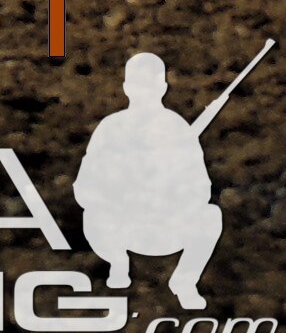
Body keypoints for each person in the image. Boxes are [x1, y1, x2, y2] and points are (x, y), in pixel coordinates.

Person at [77, 52, 226, 311]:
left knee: (211, 216)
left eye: (150, 85)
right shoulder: (110, 128)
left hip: (166, 227)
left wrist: (169, 192)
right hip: (120, 227)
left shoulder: (177, 129)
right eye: (138, 84)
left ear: (162, 87)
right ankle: (118, 263)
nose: (144, 92)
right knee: (92, 216)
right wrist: (119, 195)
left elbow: (201, 188)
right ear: (126, 88)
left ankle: (184, 281)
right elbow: (85, 186)